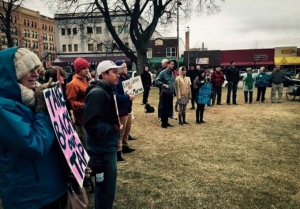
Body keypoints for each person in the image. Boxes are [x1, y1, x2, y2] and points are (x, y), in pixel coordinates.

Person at [0, 47, 68, 209]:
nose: (36, 74)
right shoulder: (4, 108)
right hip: (31, 196)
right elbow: (34, 145)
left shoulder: (34, 97)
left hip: (52, 186)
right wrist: (44, 112)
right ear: (13, 74)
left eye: (36, 69)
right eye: (28, 69)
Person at [84, 60, 124, 209]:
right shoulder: (98, 93)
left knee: (105, 186)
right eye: (114, 72)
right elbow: (91, 124)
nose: (118, 75)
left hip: (106, 147)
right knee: (106, 188)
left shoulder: (105, 90)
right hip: (102, 150)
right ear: (104, 74)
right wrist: (112, 128)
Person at [114, 60, 136, 163]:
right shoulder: (117, 81)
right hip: (121, 109)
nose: (126, 68)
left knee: (127, 130)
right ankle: (118, 152)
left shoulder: (127, 78)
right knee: (120, 133)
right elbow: (115, 96)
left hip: (128, 108)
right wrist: (128, 97)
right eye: (123, 67)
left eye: (126, 66)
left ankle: (125, 146)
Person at [66, 57, 90, 148]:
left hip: (89, 116)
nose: (87, 70)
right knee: (85, 144)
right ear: (78, 69)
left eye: (87, 67)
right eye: (84, 68)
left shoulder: (85, 80)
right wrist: (86, 105)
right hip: (81, 120)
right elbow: (71, 103)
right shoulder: (73, 84)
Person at [155, 60, 176, 128]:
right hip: (165, 93)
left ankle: (166, 122)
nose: (173, 65)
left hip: (170, 93)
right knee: (164, 108)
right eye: (172, 64)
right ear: (168, 65)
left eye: (173, 64)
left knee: (169, 108)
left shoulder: (172, 73)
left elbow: (173, 82)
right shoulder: (163, 73)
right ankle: (163, 123)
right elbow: (156, 81)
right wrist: (163, 84)